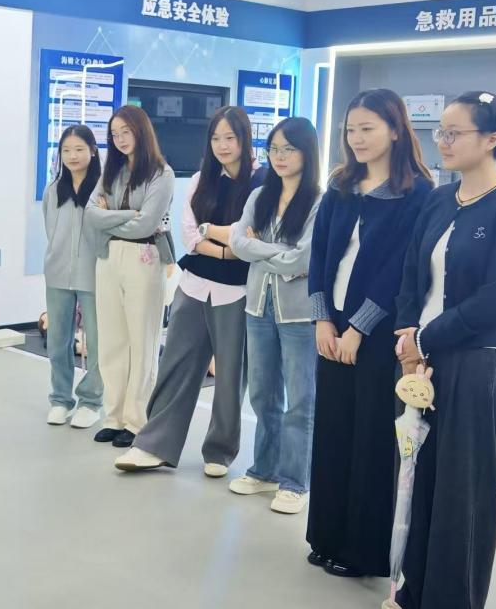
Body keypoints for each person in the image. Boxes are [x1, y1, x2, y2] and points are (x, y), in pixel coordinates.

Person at [306, 88, 432, 579]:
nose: (356, 138)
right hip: (332, 326)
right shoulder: (340, 185)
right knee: (333, 429)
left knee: (371, 437)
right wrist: (323, 318)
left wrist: (358, 327)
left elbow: (400, 269)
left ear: (395, 130)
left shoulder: (417, 193)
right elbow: (320, 255)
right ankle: (326, 535)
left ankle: (362, 550)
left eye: (368, 128)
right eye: (351, 129)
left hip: (378, 336)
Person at [393, 91, 496, 609]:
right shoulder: (439, 200)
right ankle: (413, 588)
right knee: (420, 479)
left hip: (476, 362)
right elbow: (412, 275)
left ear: (493, 139)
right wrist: (408, 337)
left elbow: (494, 299)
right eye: (441, 131)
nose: (443, 141)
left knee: (464, 492)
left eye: (455, 133)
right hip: (421, 361)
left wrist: (424, 339)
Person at [116, 105, 265, 475]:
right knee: (176, 365)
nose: (222, 145)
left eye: (230, 137)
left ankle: (219, 451)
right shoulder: (201, 179)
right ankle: (152, 445)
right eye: (216, 138)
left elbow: (249, 238)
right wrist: (225, 247)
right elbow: (189, 235)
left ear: (245, 139)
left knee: (230, 374)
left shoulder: (261, 182)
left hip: (237, 291)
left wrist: (213, 235)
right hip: (194, 285)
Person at [226, 118, 322, 515]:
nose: (279, 157)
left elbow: (303, 259)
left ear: (307, 153)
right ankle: (263, 470)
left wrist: (260, 249)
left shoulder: (318, 201)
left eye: (288, 149)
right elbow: (237, 243)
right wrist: (277, 254)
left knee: (300, 400)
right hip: (257, 306)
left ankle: (295, 482)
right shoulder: (260, 195)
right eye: (274, 150)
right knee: (263, 393)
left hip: (298, 313)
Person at [85, 105, 174, 449]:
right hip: (108, 257)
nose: (120, 139)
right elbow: (91, 214)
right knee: (112, 340)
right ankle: (114, 416)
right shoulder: (112, 171)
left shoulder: (161, 174)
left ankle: (137, 421)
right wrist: (127, 215)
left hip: (144, 257)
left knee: (142, 340)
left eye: (126, 131)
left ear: (141, 131)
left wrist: (111, 217)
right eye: (114, 133)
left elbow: (147, 223)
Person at [42, 124, 104, 429]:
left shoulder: (104, 189)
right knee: (58, 341)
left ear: (92, 151)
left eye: (79, 149)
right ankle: (60, 399)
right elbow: (50, 229)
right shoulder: (53, 190)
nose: (72, 156)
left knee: (97, 342)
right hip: (57, 273)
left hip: (94, 274)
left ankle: (91, 402)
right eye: (66, 150)